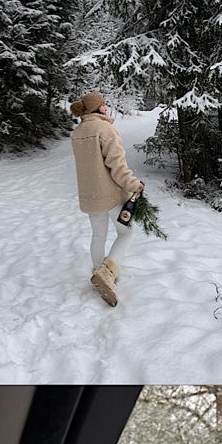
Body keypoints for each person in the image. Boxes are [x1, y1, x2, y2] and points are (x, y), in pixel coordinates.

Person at [70, 91, 145, 307]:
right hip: (109, 195)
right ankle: (107, 272)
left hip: (89, 195)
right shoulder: (105, 129)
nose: (106, 107)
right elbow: (117, 166)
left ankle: (97, 273)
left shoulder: (78, 132)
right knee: (127, 232)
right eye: (104, 105)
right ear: (98, 108)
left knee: (98, 235)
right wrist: (134, 184)